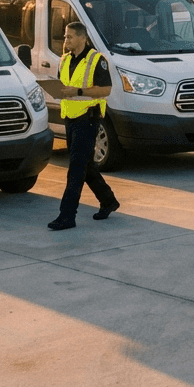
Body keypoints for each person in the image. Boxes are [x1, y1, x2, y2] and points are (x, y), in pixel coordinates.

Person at [47, 21, 120, 231]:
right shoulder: (64, 60)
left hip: (88, 120)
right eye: (65, 36)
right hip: (70, 118)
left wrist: (78, 92)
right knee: (86, 167)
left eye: (70, 37)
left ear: (82, 38)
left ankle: (67, 216)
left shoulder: (97, 60)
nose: (65, 40)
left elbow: (105, 89)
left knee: (76, 169)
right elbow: (64, 87)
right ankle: (108, 201)